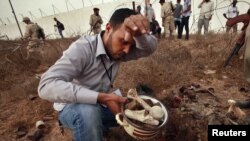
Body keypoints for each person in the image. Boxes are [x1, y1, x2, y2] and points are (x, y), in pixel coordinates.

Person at [38, 8, 157, 141]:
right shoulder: (82, 49)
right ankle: (90, 125)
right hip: (71, 108)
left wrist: (140, 35)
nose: (127, 50)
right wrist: (101, 97)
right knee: (89, 112)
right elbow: (45, 85)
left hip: (101, 104)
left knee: (143, 111)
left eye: (132, 45)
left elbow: (149, 48)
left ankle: (98, 126)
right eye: (123, 41)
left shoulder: (120, 50)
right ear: (108, 28)